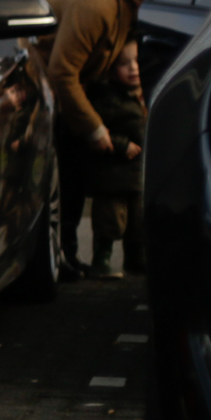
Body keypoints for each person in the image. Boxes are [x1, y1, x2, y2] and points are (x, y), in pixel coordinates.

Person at [37, 0, 163, 277]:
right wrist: (94, 129)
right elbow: (63, 72)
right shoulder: (98, 8)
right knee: (64, 175)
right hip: (36, 86)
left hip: (59, 99)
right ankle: (58, 254)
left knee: (75, 173)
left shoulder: (124, 19)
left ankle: (65, 254)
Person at [86, 46, 146, 279]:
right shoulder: (108, 99)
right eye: (124, 64)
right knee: (110, 221)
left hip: (137, 176)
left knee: (137, 225)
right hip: (113, 176)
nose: (133, 68)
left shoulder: (141, 97)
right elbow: (101, 131)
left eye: (136, 62)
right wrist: (122, 145)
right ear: (110, 70)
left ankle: (136, 261)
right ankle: (101, 259)